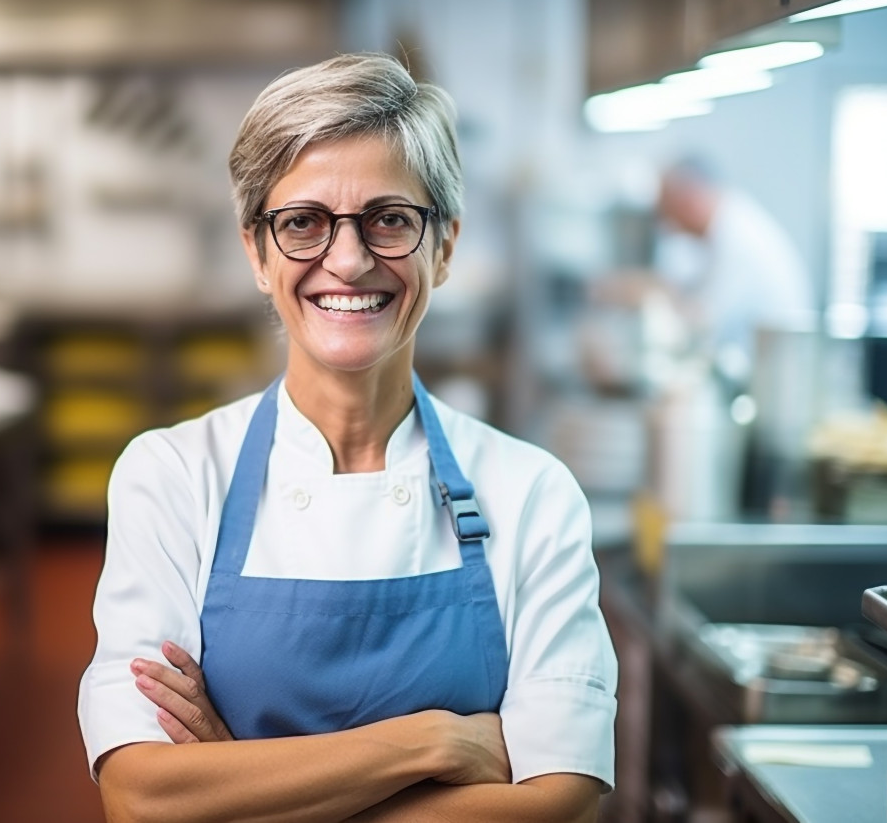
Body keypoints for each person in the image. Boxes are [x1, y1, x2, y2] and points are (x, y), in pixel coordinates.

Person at [78, 53, 617, 822]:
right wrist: (430, 743)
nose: (349, 258)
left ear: (446, 246)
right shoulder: (170, 475)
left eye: (390, 219)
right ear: (257, 254)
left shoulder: (531, 491)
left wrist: (235, 784)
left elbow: (558, 795)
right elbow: (140, 795)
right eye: (302, 223)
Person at [594, 158, 814, 382]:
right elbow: (683, 287)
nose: (666, 224)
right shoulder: (716, 232)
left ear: (689, 199)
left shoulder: (739, 240)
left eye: (667, 209)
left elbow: (699, 322)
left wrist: (649, 295)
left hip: (773, 383)